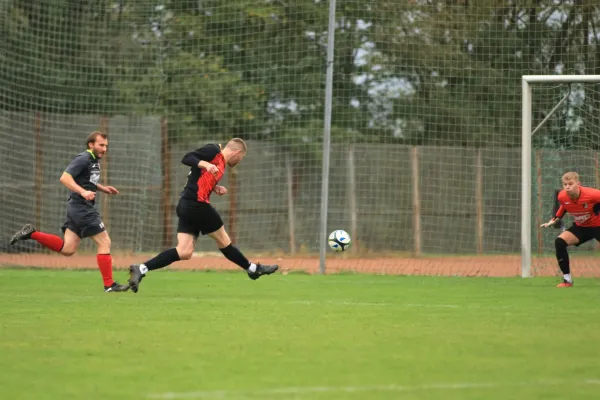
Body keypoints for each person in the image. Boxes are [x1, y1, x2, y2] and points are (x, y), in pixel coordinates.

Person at [127, 138, 278, 293]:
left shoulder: (221, 164)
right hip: (196, 205)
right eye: (242, 157)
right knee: (224, 242)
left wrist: (214, 187)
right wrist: (205, 163)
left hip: (186, 205)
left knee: (184, 251)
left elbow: (197, 179)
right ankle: (253, 269)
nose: (240, 160)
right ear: (238, 152)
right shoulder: (214, 151)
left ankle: (141, 268)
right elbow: (187, 158)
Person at [10, 131, 129, 292]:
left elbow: (87, 181)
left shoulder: (94, 160)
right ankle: (109, 285)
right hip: (82, 207)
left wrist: (102, 188)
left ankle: (32, 234)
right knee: (105, 242)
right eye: (101, 145)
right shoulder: (83, 159)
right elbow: (65, 178)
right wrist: (83, 192)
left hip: (77, 207)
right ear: (91, 145)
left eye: (106, 146)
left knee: (68, 249)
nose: (104, 149)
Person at [540, 171, 600, 287]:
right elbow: (564, 206)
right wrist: (555, 219)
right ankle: (567, 280)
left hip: (598, 226)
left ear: (578, 184)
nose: (567, 187)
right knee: (559, 242)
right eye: (565, 184)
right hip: (581, 227)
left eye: (570, 184)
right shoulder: (562, 196)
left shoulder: (593, 194)